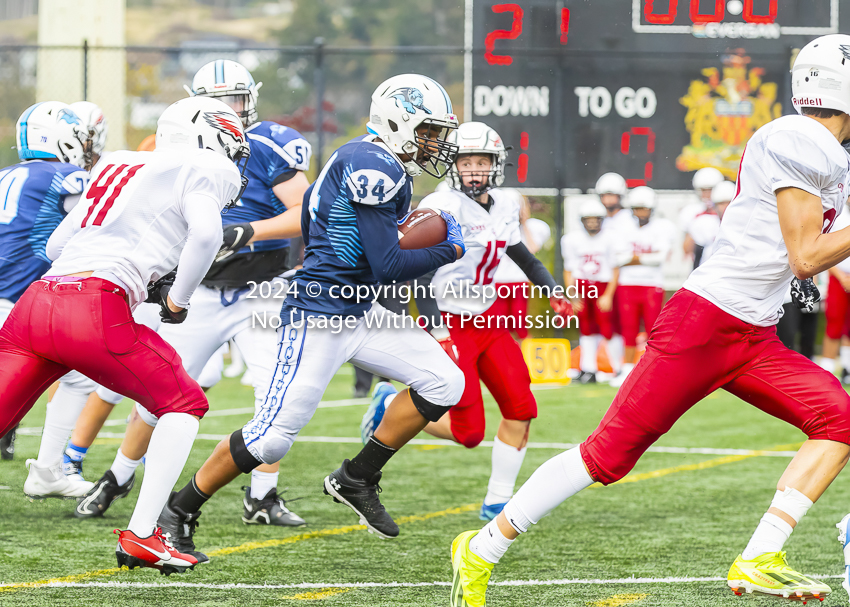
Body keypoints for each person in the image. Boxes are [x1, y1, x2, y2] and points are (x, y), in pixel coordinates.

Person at [450, 34, 850, 606]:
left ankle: (761, 555)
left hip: (753, 333)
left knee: (839, 418)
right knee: (604, 457)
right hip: (703, 324)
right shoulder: (796, 138)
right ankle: (482, 547)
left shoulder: (832, 153)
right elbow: (807, 254)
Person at [154, 74, 466, 562]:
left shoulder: (375, 159)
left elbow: (345, 237)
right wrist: (450, 248)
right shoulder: (371, 164)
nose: (436, 143)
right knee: (270, 439)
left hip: (359, 309)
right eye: (428, 131)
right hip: (318, 315)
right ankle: (179, 510)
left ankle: (357, 477)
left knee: (445, 383)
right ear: (399, 122)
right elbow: (388, 266)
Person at [0, 96, 249, 574]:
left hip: (37, 304)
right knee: (184, 404)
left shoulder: (117, 163)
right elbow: (205, 235)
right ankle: (142, 535)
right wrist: (177, 299)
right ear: (209, 133)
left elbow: (56, 245)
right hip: (93, 307)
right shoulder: (204, 165)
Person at [75, 60, 312, 527]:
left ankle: (262, 496)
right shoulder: (178, 151)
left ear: (251, 100)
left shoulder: (269, 145)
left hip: (261, 289)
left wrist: (248, 231)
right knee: (157, 391)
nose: (227, 110)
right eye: (216, 100)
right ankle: (120, 475)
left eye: (235, 100)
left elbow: (307, 211)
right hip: (198, 290)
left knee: (277, 395)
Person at [368, 121, 569, 522]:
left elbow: (521, 255)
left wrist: (552, 288)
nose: (474, 170)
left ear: (496, 165)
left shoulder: (507, 202)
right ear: (453, 165)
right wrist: (438, 330)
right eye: (466, 161)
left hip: (491, 319)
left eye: (482, 161)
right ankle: (388, 406)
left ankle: (497, 499)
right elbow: (418, 275)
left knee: (521, 407)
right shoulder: (443, 207)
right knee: (469, 432)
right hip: (453, 320)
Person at [0, 102, 89, 473]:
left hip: (12, 295)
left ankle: (51, 470)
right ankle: (51, 468)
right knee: (80, 375)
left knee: (77, 373)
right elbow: (95, 224)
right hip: (17, 302)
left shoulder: (6, 174)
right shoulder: (68, 176)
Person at [609, 187, 675, 388]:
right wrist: (645, 258)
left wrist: (633, 258)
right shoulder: (623, 227)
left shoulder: (663, 227)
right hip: (628, 284)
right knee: (627, 328)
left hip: (651, 285)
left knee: (653, 328)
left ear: (652, 209)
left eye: (644, 209)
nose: (640, 213)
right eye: (637, 209)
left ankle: (653, 368)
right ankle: (627, 368)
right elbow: (618, 258)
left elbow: (660, 258)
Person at [562, 198, 618, 384]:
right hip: (582, 286)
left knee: (608, 328)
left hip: (602, 285)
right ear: (582, 221)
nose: (593, 223)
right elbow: (569, 269)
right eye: (589, 219)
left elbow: (615, 268)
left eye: (596, 219)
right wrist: (571, 294)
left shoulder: (610, 238)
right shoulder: (572, 239)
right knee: (586, 328)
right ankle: (589, 369)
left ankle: (617, 368)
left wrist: (608, 294)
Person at [488, 193, 552, 340]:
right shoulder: (493, 226)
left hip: (518, 281)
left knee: (519, 324)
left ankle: (524, 359)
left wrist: (523, 222)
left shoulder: (531, 227)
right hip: (497, 281)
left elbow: (533, 248)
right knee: (498, 325)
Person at [595, 172, 633, 377]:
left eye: (612, 195)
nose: (608, 200)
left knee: (626, 324)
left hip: (625, 278)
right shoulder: (598, 219)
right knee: (607, 323)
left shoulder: (628, 220)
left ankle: (623, 368)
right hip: (605, 277)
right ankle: (615, 367)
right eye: (604, 195)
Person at [819, 203, 850, 377]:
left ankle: (847, 367)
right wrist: (841, 276)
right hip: (838, 275)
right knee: (834, 323)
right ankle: (827, 369)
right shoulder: (837, 212)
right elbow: (823, 247)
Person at [680, 166, 724, 268]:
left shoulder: (728, 211)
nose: (707, 195)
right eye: (704, 190)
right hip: (700, 265)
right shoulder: (692, 212)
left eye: (711, 190)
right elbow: (687, 249)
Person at [689, 180, 735, 268]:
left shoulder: (744, 226)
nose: (725, 207)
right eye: (721, 203)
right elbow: (696, 255)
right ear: (715, 205)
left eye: (729, 203)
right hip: (709, 273)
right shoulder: (705, 223)